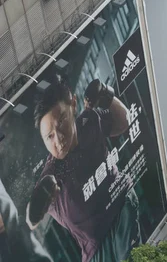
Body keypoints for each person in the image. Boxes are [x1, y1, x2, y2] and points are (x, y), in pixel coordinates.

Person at [27, 76, 140, 262]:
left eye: (61, 121)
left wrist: (106, 95)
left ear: (73, 105)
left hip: (121, 210)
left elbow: (124, 121)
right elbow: (31, 220)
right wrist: (38, 201)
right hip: (95, 249)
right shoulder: (51, 173)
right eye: (50, 136)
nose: (59, 138)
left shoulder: (88, 122)